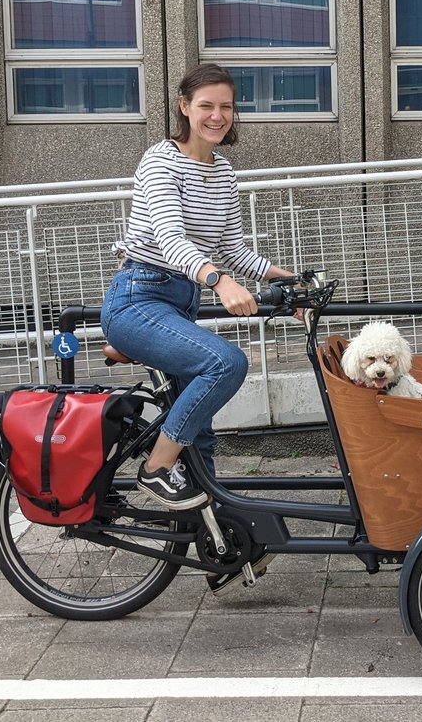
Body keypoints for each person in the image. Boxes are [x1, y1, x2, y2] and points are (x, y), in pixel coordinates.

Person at [101, 63, 297, 513]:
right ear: (184, 107)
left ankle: (218, 546)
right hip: (138, 299)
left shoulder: (223, 170)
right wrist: (217, 280)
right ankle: (154, 470)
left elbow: (232, 248)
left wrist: (286, 281)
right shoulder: (160, 160)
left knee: (201, 433)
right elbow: (170, 240)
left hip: (177, 307)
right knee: (226, 363)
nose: (216, 115)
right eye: (206, 105)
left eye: (226, 106)